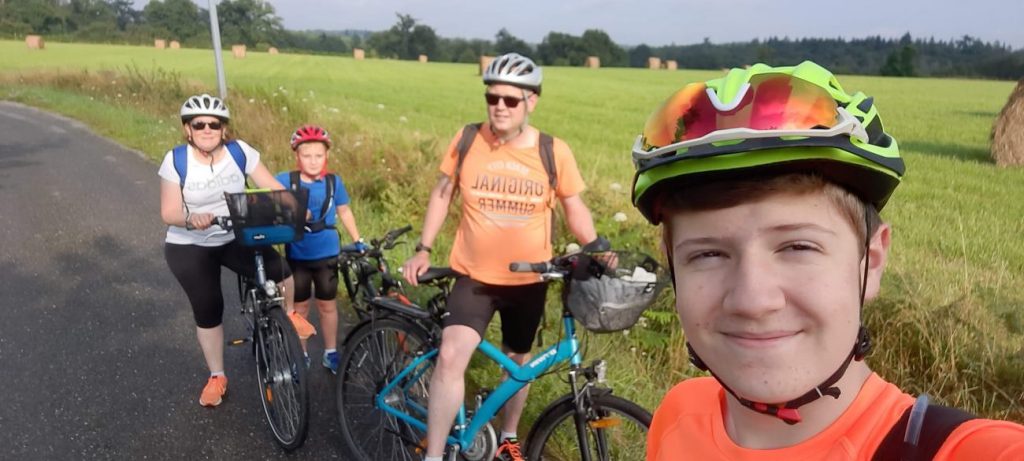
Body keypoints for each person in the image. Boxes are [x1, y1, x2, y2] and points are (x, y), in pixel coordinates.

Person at [633, 62, 1024, 459]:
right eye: (708, 254)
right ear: (673, 267)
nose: (752, 301)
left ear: (871, 262)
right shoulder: (680, 413)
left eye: (798, 247)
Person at [402, 53, 602, 461]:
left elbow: (573, 205)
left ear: (532, 101)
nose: (500, 106)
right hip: (474, 277)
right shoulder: (468, 139)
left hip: (529, 280)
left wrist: (598, 246)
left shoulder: (552, 150)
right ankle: (435, 455)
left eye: (511, 100)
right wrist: (423, 248)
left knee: (518, 364)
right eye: (492, 97)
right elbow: (443, 193)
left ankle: (508, 438)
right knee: (451, 355)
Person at [159, 94, 316, 408]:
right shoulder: (176, 160)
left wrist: (297, 209)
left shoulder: (239, 152)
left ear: (223, 128)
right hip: (190, 243)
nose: (207, 129)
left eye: (214, 124)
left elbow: (271, 186)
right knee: (209, 307)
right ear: (188, 129)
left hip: (234, 233)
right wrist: (191, 218)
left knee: (282, 272)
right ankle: (217, 376)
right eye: (199, 124)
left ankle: (288, 315)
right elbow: (169, 212)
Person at [275, 124, 366, 373]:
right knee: (300, 308)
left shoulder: (334, 183)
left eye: (319, 155)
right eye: (307, 155)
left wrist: (358, 239)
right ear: (297, 156)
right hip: (298, 254)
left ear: (327, 156)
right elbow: (268, 200)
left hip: (327, 254)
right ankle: (301, 354)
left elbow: (344, 211)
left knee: (327, 305)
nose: (313, 161)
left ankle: (330, 352)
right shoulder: (286, 180)